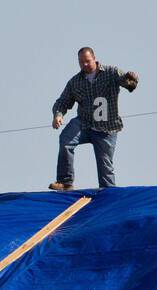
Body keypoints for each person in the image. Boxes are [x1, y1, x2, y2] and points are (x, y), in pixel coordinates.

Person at [49, 47, 139, 191]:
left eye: (87, 61)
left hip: (106, 128)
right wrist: (58, 115)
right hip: (84, 123)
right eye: (81, 62)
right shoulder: (75, 82)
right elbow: (63, 101)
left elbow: (126, 81)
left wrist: (131, 80)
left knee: (105, 166)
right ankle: (65, 182)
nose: (84, 65)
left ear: (94, 59)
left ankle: (108, 195)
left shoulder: (111, 72)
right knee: (66, 140)